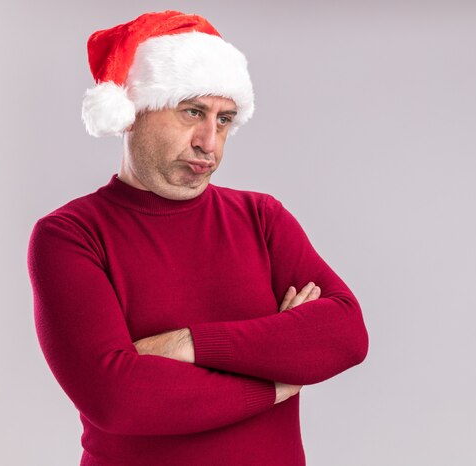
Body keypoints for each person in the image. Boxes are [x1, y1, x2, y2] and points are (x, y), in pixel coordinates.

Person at [27, 10, 369, 466]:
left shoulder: (261, 217)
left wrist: (188, 345)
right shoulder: (70, 235)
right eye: (192, 112)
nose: (210, 142)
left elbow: (345, 335)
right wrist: (276, 380)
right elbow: (117, 398)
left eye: (224, 119)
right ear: (132, 113)